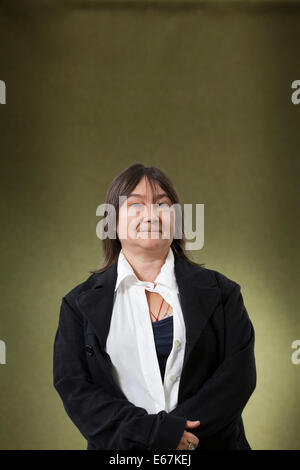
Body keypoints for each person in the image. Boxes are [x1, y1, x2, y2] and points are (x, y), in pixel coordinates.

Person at [53, 163, 256, 450]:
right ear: (111, 221)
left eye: (162, 204)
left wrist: (181, 438)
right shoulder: (77, 305)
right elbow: (76, 389)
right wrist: (156, 434)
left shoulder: (223, 293)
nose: (150, 214)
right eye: (135, 205)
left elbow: (238, 379)